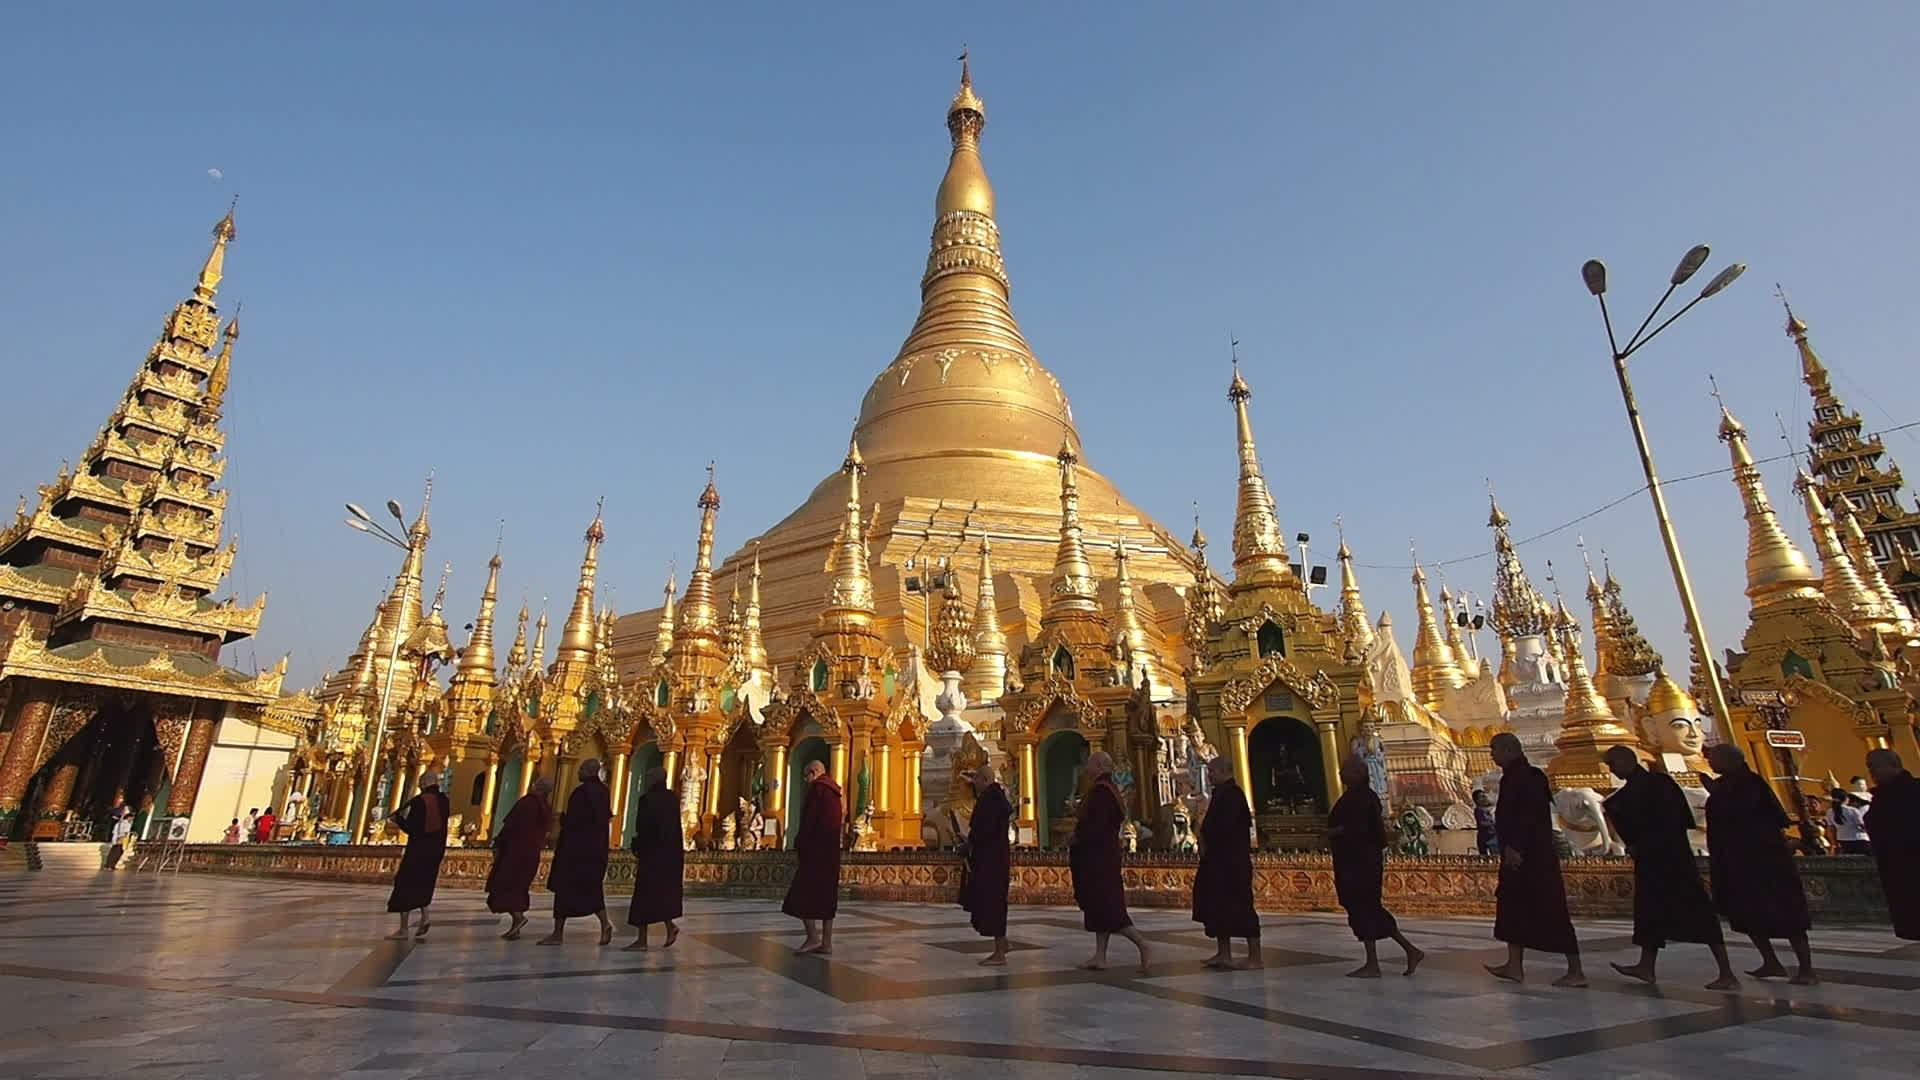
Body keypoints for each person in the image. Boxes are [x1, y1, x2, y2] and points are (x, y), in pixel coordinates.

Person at [1599, 746, 1738, 990]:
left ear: (1626, 760)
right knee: (1650, 913)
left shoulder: (1657, 782)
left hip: (1671, 858)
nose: (1611, 770)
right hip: (1652, 859)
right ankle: (1646, 966)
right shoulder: (1638, 788)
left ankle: (1726, 972)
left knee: (1699, 912)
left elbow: (1672, 818)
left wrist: (1640, 838)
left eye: (1613, 764)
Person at [1704, 744, 1817, 984]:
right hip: (1735, 858)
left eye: (1713, 758)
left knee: (1787, 912)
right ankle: (1770, 961)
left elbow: (1744, 814)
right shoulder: (1726, 785)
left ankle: (1806, 968)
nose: (1710, 762)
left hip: (1765, 857)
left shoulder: (1750, 783)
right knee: (1746, 911)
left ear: (1729, 760)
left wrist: (1715, 793)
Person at [1484, 732, 1585, 986]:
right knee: (1512, 908)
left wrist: (1516, 846)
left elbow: (1530, 816)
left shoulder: (1530, 777)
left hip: (1533, 856)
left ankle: (1575, 970)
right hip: (1514, 853)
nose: (1491, 754)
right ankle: (1514, 966)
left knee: (1552, 910)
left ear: (1509, 750)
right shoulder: (1512, 777)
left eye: (1494, 749)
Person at [1327, 756, 1423, 977]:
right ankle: (1406, 951)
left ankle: (1376, 962)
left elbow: (1358, 829)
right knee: (1364, 909)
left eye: (1346, 770)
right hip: (1354, 861)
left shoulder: (1363, 798)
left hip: (1360, 861)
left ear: (1359, 773)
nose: (1341, 774)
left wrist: (1335, 832)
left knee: (1366, 908)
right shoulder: (1353, 797)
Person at [1069, 751, 1151, 973]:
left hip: (1098, 858)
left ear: (1098, 766)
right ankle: (1100, 956)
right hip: (1102, 855)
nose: (1087, 769)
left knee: (1108, 907)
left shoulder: (1101, 793)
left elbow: (1095, 826)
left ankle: (1142, 944)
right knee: (1098, 907)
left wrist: (1077, 836)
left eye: (1090, 765)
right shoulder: (1106, 790)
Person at [1193, 755, 1261, 969]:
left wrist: (1207, 836)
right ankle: (1224, 953)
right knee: (1217, 906)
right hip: (1216, 861)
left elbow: (1227, 828)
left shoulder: (1233, 795)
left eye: (1212, 771)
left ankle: (1255, 956)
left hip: (1231, 861)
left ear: (1224, 771)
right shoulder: (1220, 794)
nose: (1209, 775)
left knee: (1241, 906)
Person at [541, 759, 615, 946]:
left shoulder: (581, 793)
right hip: (595, 849)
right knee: (592, 890)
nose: (578, 771)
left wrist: (564, 823)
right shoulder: (603, 792)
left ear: (590, 771)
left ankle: (558, 933)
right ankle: (604, 924)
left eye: (581, 768)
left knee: (566, 891)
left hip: (576, 849)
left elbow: (575, 822)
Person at [783, 759, 843, 955]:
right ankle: (826, 942)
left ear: (814, 772)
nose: (806, 780)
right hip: (831, 853)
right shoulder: (835, 792)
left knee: (801, 895)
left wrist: (800, 843)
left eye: (806, 775)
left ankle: (812, 937)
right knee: (827, 896)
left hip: (815, 852)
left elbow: (809, 821)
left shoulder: (818, 790)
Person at [958, 763, 1014, 966]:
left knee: (993, 903)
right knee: (993, 902)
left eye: (977, 780)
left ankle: (999, 952)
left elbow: (984, 831)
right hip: (993, 858)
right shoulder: (993, 799)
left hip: (991, 861)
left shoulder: (990, 801)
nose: (974, 784)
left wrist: (969, 843)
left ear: (985, 780)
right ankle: (1003, 943)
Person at [485, 776, 553, 940]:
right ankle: (516, 924)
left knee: (505, 885)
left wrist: (498, 843)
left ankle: (518, 917)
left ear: (536, 786)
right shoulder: (545, 807)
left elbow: (510, 825)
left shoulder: (527, 803)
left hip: (515, 851)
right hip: (531, 852)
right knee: (518, 887)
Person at [624, 766, 684, 951]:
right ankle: (670, 926)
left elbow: (644, 827)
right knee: (662, 893)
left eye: (649, 776)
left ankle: (642, 940)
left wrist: (638, 846)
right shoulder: (672, 798)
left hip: (652, 852)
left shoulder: (647, 799)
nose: (647, 779)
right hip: (670, 854)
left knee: (644, 895)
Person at [385, 772, 450, 941]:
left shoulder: (420, 801)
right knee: (424, 883)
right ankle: (425, 916)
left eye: (421, 782)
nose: (420, 785)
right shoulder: (444, 801)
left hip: (418, 850)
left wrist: (398, 820)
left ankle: (403, 929)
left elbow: (413, 828)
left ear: (426, 783)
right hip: (436, 850)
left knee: (404, 885)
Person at [1863, 748, 1918, 940]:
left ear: (1892, 764)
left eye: (1874, 767)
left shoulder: (1910, 791)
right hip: (1898, 870)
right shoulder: (1884, 795)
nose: (1871, 772)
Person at [1832, 791, 1871, 855]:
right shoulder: (1852, 810)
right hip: (1858, 838)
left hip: (1842, 839)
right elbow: (1862, 825)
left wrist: (1834, 843)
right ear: (1846, 798)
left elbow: (1831, 828)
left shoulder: (1830, 811)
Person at [1473, 789, 1498, 856]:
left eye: (1485, 796)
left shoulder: (1487, 810)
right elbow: (1482, 823)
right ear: (1477, 800)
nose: (1485, 798)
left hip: (1491, 837)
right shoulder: (1479, 810)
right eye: (1482, 797)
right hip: (1486, 838)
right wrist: (1495, 824)